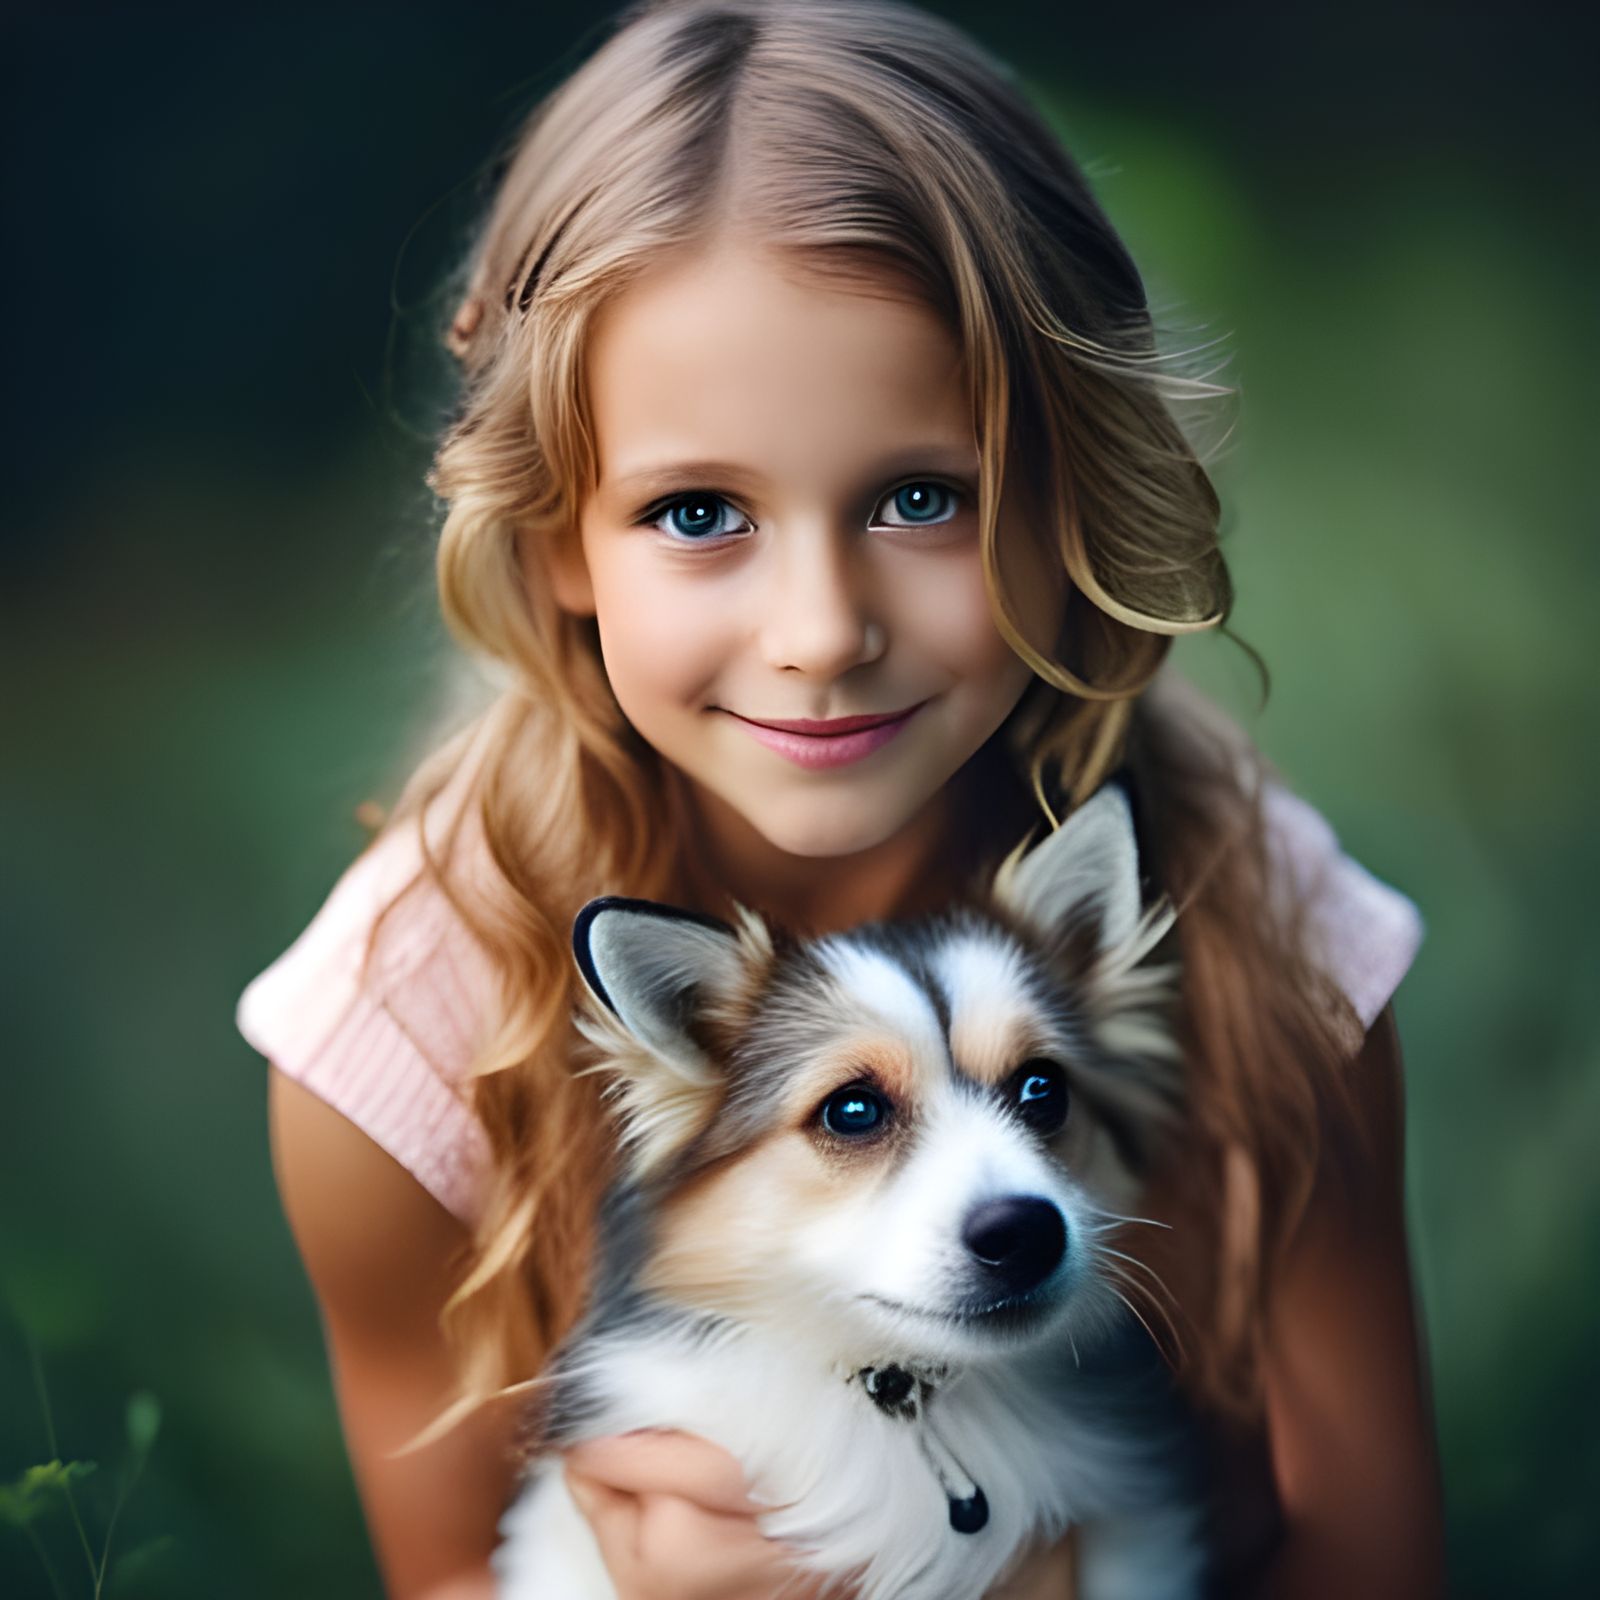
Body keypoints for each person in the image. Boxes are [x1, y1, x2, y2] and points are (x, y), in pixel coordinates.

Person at [238, 1, 1446, 1594]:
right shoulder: (402, 1021)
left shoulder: (1253, 933)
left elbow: (1380, 1559)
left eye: (920, 495)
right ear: (554, 542)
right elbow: (446, 1570)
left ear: (1065, 496)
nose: (821, 631)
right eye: (696, 511)